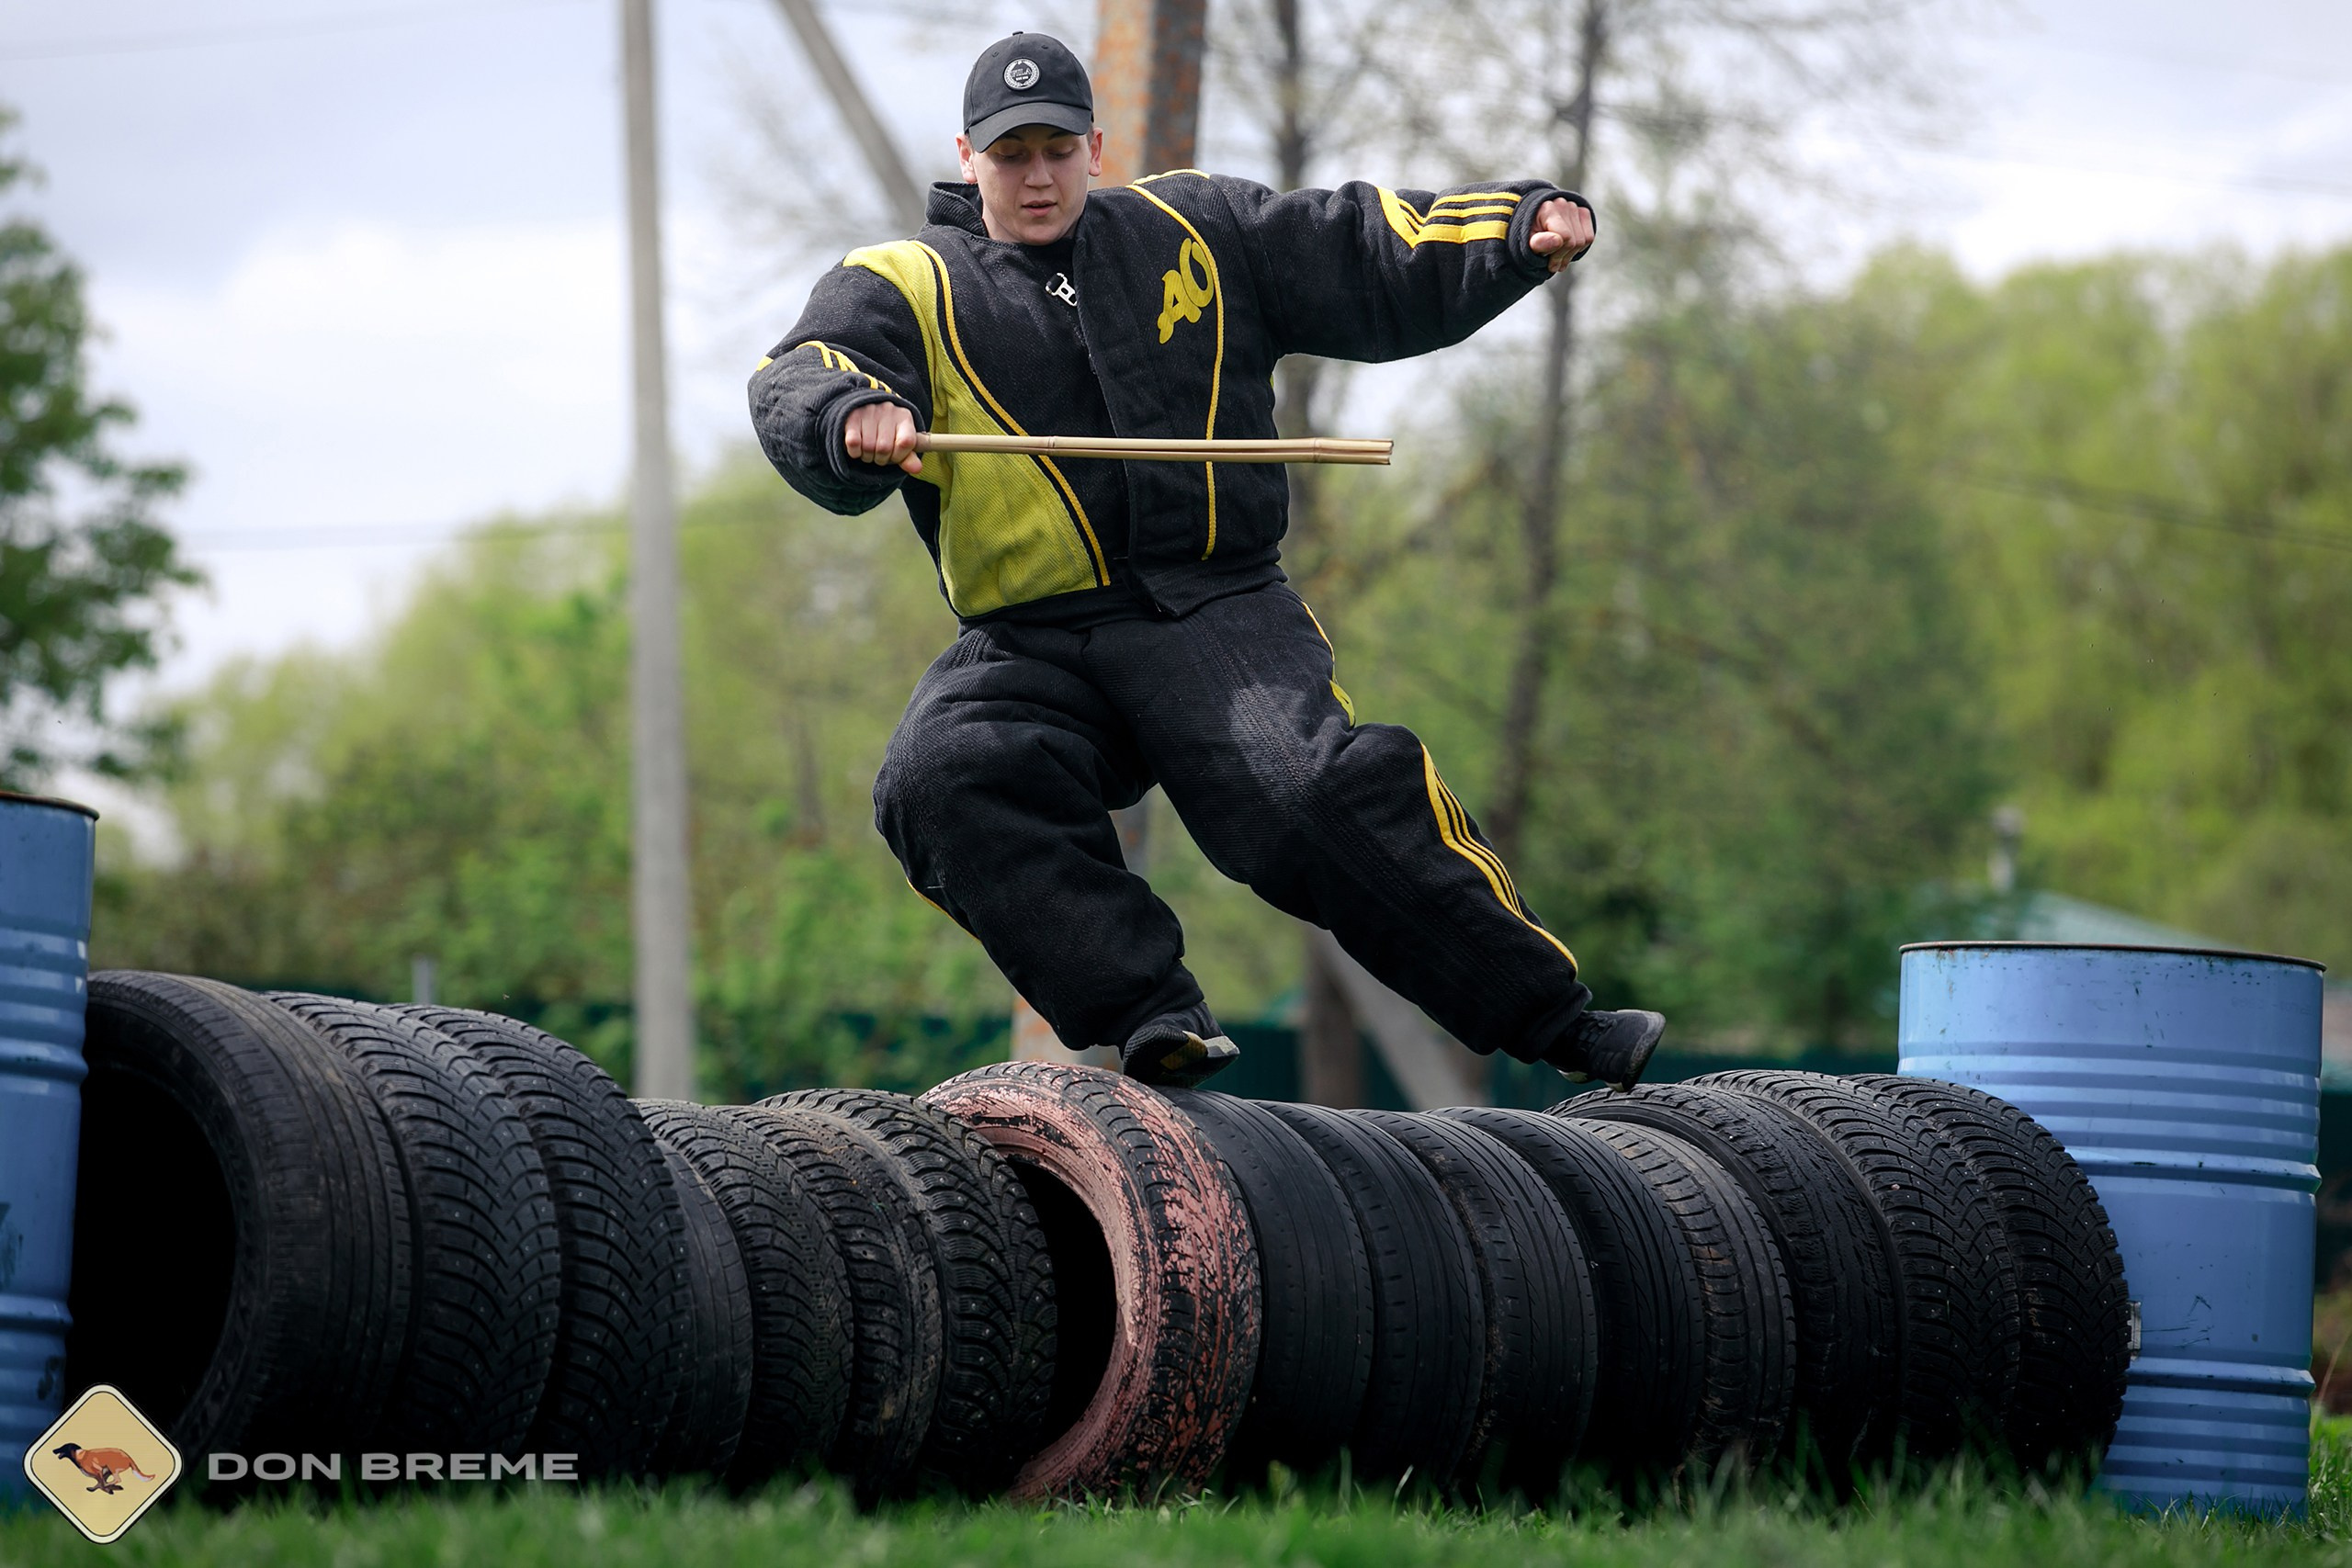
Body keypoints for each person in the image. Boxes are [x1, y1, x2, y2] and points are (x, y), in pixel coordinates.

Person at [748, 31, 1665, 1092]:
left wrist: (1511, 228)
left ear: (1096, 148)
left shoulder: (1196, 227)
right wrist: (847, 414)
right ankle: (1149, 1013)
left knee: (1307, 797)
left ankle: (1558, 1021)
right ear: (967, 157)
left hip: (1215, 607)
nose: (1037, 177)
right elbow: (802, 371)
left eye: (1057, 151)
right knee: (935, 778)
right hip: (1029, 640)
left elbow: (1359, 245)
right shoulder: (902, 283)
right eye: (1010, 156)